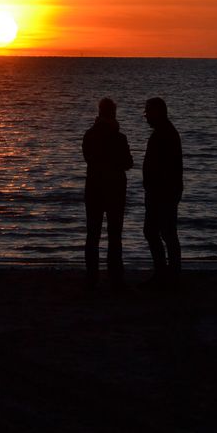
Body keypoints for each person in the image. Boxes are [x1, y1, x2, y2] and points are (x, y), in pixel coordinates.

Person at [83, 97, 134, 289]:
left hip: (94, 189)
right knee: (114, 235)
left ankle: (91, 277)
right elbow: (128, 162)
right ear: (112, 113)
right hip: (115, 190)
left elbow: (88, 158)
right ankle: (115, 277)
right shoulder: (119, 138)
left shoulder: (89, 135)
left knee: (93, 234)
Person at [142, 97, 183, 288]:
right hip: (161, 191)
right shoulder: (164, 132)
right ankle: (168, 273)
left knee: (159, 232)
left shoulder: (165, 134)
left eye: (148, 111)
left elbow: (167, 167)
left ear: (157, 112)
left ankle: (167, 274)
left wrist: (158, 188)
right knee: (163, 232)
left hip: (162, 193)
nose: (146, 116)